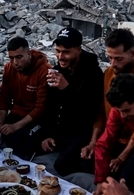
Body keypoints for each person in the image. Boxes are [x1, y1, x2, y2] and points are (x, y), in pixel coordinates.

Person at [80, 28, 134, 166]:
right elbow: (102, 110)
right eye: (110, 58)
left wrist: (121, 157)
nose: (113, 64)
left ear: (133, 54)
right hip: (111, 137)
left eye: (119, 59)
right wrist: (94, 142)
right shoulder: (109, 73)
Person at [37, 28, 104, 176]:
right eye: (58, 51)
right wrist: (47, 134)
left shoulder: (94, 74)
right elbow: (50, 107)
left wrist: (67, 89)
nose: (61, 56)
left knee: (63, 166)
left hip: (83, 132)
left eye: (66, 52)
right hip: (63, 128)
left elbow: (90, 112)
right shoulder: (58, 70)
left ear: (78, 50)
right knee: (29, 146)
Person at [0, 36, 50, 158]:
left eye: (19, 57)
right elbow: (4, 96)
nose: (15, 63)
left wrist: (15, 127)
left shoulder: (44, 71)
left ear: (29, 54)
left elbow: (41, 108)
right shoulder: (9, 68)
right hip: (16, 114)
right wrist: (0, 122)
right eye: (11, 58)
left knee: (19, 143)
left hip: (36, 119)